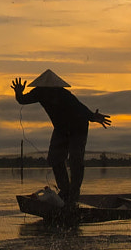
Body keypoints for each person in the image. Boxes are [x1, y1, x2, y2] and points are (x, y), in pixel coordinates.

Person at [11, 70, 111, 206]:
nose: (49, 93)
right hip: (61, 129)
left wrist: (93, 116)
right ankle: (65, 191)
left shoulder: (63, 94)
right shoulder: (39, 92)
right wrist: (18, 92)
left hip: (78, 127)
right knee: (54, 158)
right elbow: (22, 100)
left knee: (75, 159)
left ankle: (73, 196)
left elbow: (80, 107)